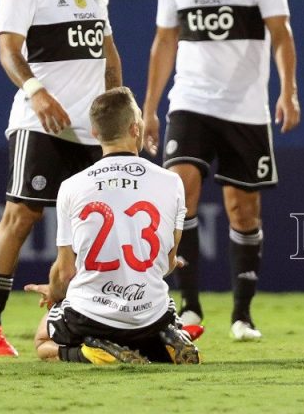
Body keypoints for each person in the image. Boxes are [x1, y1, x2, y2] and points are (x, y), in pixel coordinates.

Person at [142, 0, 300, 341]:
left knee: (242, 210)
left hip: (245, 108)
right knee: (181, 189)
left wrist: (288, 92)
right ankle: (189, 307)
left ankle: (242, 313)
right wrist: (150, 108)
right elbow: (164, 41)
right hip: (190, 101)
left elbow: (282, 33)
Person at [0, 0, 122, 356]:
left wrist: (120, 114)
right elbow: (8, 51)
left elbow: (107, 53)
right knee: (22, 216)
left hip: (92, 131)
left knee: (95, 229)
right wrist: (36, 91)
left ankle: (76, 317)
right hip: (42, 124)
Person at [21, 87, 198, 365]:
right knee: (157, 315)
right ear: (135, 128)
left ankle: (90, 352)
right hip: (149, 313)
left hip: (91, 316)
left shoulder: (71, 187)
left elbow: (65, 272)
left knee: (42, 339)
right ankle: (165, 344)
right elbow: (169, 261)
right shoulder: (171, 181)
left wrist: (54, 293)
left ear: (94, 133)